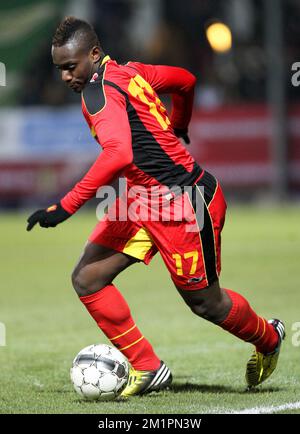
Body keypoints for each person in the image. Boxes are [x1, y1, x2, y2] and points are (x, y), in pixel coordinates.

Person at [26, 17, 285, 397]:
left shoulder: (96, 93)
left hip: (187, 204)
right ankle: (147, 367)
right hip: (141, 200)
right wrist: (179, 123)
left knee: (206, 304)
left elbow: (118, 153)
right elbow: (186, 81)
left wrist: (64, 206)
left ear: (94, 54)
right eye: (59, 69)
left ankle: (268, 338)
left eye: (70, 66)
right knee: (88, 278)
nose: (65, 76)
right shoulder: (132, 71)